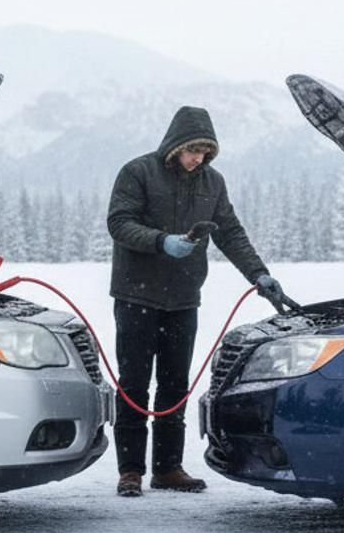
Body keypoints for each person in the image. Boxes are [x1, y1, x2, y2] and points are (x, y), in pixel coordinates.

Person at [106, 106, 289, 497]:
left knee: (175, 385)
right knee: (134, 384)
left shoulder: (213, 182)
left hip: (183, 299)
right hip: (136, 295)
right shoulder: (137, 172)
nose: (198, 159)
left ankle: (168, 468)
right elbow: (119, 223)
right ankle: (130, 471)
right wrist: (161, 241)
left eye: (205, 153)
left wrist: (259, 274)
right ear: (176, 146)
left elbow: (231, 233)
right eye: (193, 151)